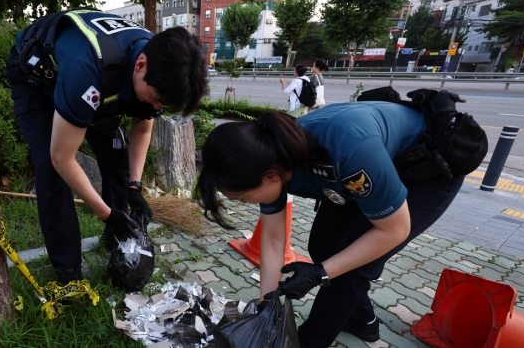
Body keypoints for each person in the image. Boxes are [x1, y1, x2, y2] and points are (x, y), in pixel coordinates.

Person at [195, 105, 463, 347]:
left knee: (350, 269)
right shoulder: (271, 159)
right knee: (322, 246)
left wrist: (319, 274)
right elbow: (274, 238)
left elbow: (394, 230)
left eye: (242, 197)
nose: (244, 203)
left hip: (428, 165)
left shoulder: (345, 155)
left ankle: (309, 342)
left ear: (272, 177)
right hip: (368, 170)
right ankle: (361, 321)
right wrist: (269, 306)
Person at [5, 9, 208, 285]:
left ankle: (117, 239)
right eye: (157, 98)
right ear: (140, 66)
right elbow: (62, 158)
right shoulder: (87, 70)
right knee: (51, 172)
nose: (157, 107)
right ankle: (69, 271)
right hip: (36, 73)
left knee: (116, 156)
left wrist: (134, 187)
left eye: (164, 104)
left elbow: (143, 124)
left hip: (95, 82)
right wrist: (106, 213)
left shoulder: (160, 62)